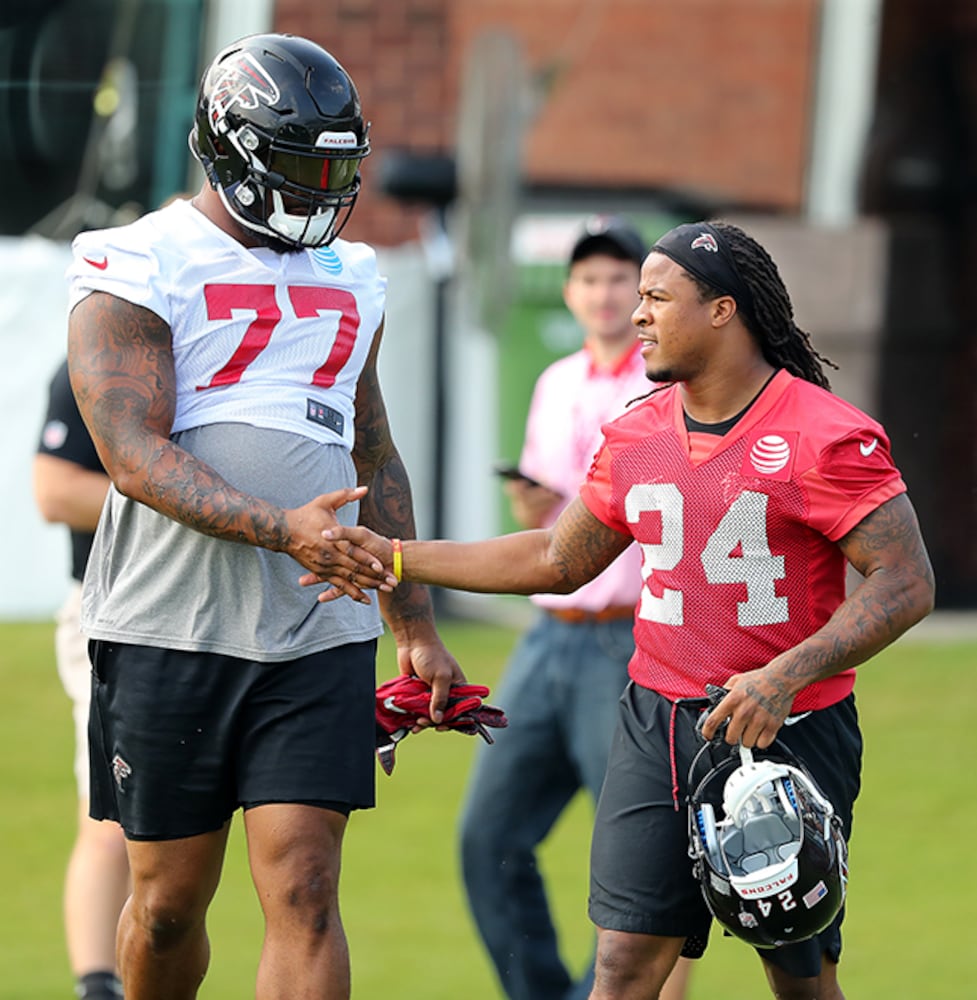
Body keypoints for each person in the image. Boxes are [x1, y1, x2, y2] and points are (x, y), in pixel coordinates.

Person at [311, 219, 937, 1000]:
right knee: (621, 964)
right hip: (657, 724)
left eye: (655, 296)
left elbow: (904, 582)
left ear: (722, 310)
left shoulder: (824, 433)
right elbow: (553, 559)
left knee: (798, 975)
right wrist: (392, 555)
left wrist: (783, 675)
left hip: (788, 728)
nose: (636, 313)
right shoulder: (637, 433)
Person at [65, 32, 465, 1000]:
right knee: (165, 904)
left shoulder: (354, 274)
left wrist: (411, 623)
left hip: (313, 624)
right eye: (300, 164)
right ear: (233, 149)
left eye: (337, 166)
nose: (323, 188)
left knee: (305, 883)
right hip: (169, 622)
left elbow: (369, 447)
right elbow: (133, 455)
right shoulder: (135, 260)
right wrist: (286, 527)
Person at [460, 216, 692, 1000]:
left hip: (629, 640)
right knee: (486, 837)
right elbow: (551, 528)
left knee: (644, 853)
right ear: (569, 291)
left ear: (643, 294)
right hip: (548, 634)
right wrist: (535, 505)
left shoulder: (665, 385)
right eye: (588, 278)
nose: (603, 292)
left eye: (619, 278)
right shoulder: (556, 381)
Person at [34, 360, 128, 1000]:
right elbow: (56, 491)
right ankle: (99, 987)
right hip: (109, 613)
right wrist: (191, 499)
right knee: (113, 815)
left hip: (220, 616)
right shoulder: (91, 362)